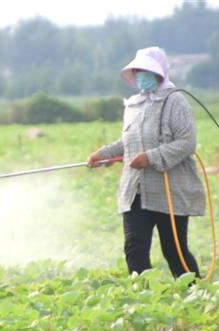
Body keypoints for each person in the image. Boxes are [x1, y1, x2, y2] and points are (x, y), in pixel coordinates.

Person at [87, 46, 205, 278]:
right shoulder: (133, 105)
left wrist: (150, 158)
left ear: (160, 73)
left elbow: (186, 142)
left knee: (174, 251)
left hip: (170, 190)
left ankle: (195, 296)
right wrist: (102, 154)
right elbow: (127, 142)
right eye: (138, 71)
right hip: (136, 190)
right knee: (135, 247)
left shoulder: (175, 100)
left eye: (147, 71)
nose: (142, 75)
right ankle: (143, 298)